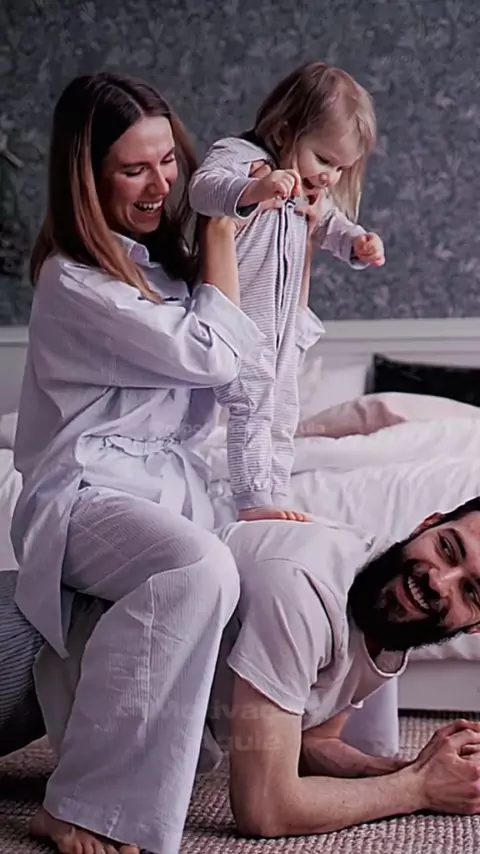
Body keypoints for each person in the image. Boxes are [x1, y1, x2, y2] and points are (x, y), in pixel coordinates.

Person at [9, 69, 269, 854]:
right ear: (88, 179)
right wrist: (219, 225)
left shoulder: (165, 270)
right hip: (84, 491)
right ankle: (79, 803)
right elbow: (213, 357)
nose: (162, 185)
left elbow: (244, 365)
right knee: (198, 568)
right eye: (134, 170)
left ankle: (306, 748)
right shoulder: (74, 280)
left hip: (163, 488)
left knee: (274, 559)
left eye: (168, 162)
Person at [3, 493, 480, 846]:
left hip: (52, 698)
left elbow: (312, 744)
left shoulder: (386, 621)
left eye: (472, 591)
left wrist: (412, 768)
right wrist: (416, 789)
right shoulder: (306, 588)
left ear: (477, 625)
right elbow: (265, 809)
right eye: (447, 548)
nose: (438, 581)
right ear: (428, 523)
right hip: (26, 643)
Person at [189, 61, 385, 523]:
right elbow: (202, 191)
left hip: (282, 322)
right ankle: (253, 498)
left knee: (282, 408)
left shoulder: (310, 190)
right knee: (252, 401)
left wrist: (358, 243)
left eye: (341, 168)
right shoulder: (240, 156)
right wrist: (254, 188)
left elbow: (332, 225)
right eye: (324, 160)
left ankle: (275, 491)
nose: (330, 177)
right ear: (282, 131)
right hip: (239, 314)